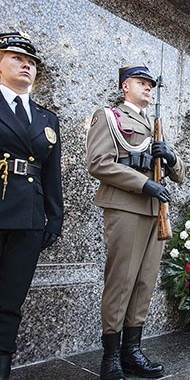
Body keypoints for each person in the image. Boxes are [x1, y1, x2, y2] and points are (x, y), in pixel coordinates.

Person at [86, 65, 186, 379]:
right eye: (142, 83)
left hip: (155, 212)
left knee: (144, 283)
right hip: (126, 206)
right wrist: (143, 184)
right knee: (122, 281)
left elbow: (180, 173)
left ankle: (132, 351)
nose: (147, 89)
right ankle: (111, 356)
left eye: (150, 85)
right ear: (126, 86)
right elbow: (98, 162)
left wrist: (169, 157)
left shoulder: (153, 124)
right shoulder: (110, 117)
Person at [0, 32, 63, 379]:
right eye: (17, 59)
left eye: (32, 63)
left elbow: (51, 173)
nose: (26, 66)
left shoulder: (46, 118)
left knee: (10, 301)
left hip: (28, 218)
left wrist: (54, 218)